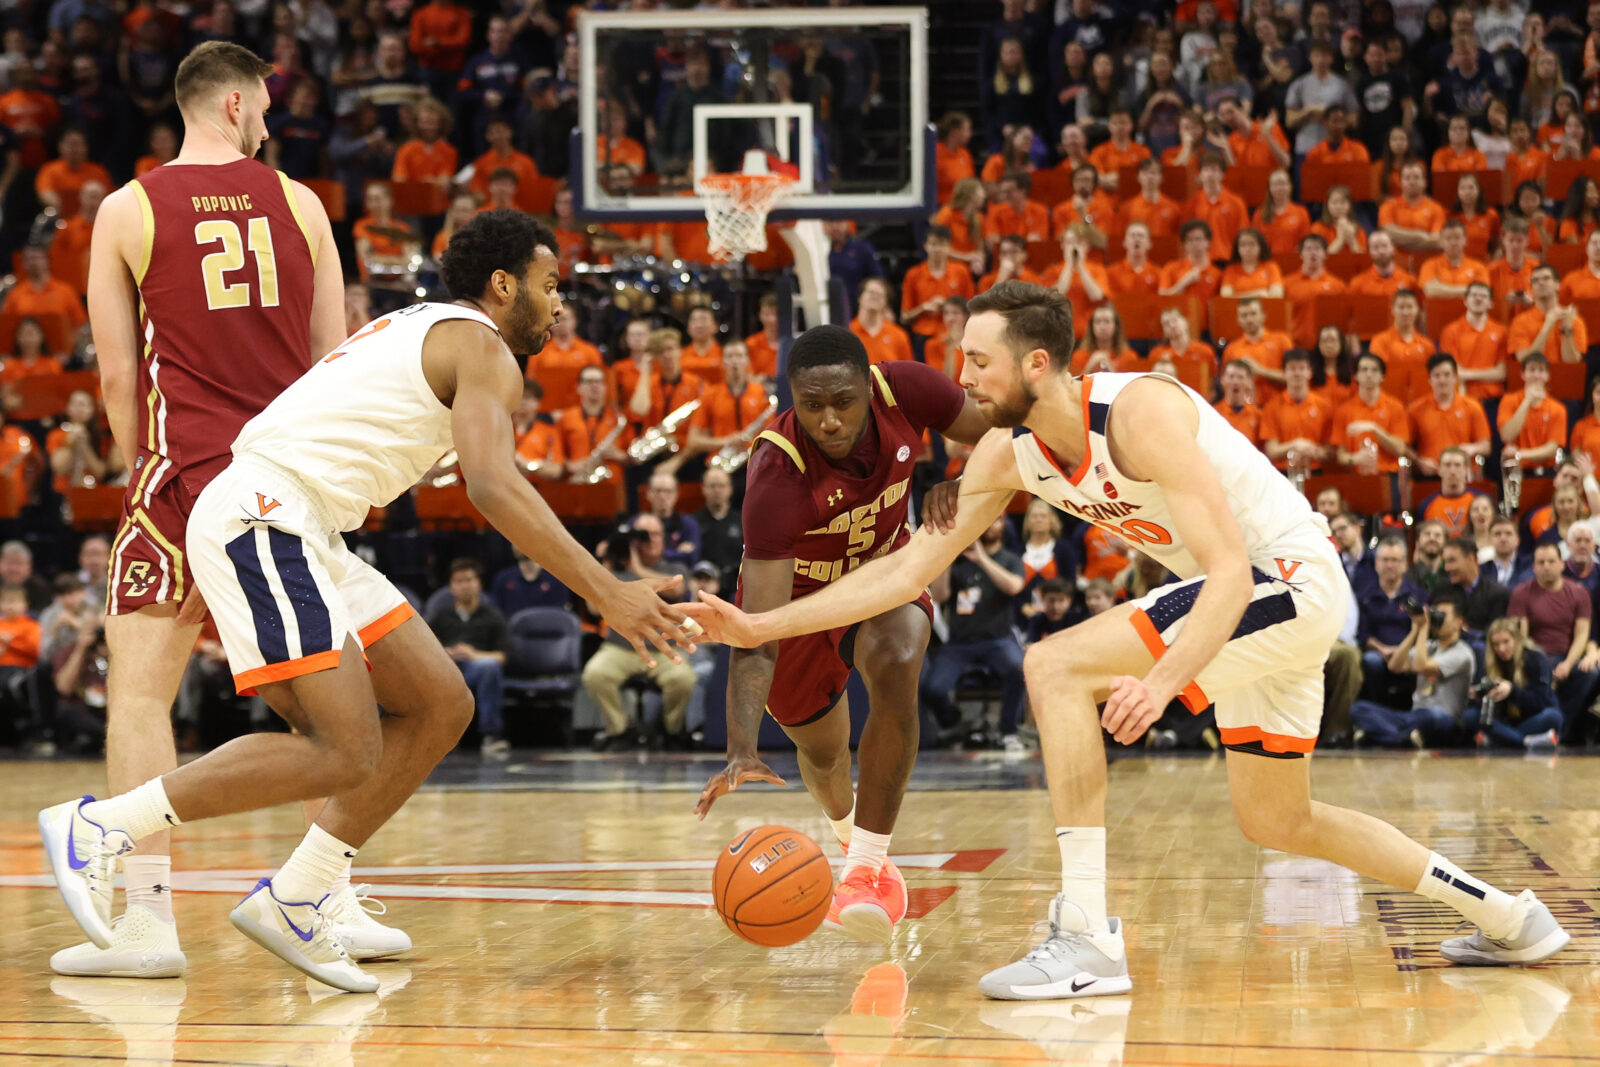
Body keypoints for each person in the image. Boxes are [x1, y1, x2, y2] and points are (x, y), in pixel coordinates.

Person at [683, 280, 1572, 995]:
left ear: (1037, 362)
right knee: (1278, 818)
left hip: (1287, 584)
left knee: (1053, 663)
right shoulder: (1009, 453)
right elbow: (901, 574)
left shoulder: (1139, 413)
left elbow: (1228, 570)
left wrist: (1169, 673)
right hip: (1248, 612)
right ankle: (1510, 918)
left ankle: (1085, 938)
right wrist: (759, 622)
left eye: (978, 362)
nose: (963, 380)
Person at [39, 212, 697, 993]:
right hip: (268, 513)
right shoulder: (484, 347)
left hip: (307, 525)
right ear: (503, 283)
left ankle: (305, 890)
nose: (559, 305)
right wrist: (606, 589)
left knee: (439, 702)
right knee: (343, 745)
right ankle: (100, 826)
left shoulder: (419, 323)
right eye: (550, 286)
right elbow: (492, 483)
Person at [63, 41, 362, 980]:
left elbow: (117, 373)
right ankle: (326, 895)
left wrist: (143, 472)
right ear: (234, 103)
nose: (271, 120)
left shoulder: (126, 209)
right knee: (332, 704)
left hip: (182, 471)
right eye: (266, 105)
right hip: (284, 478)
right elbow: (334, 365)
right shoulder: (304, 204)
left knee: (142, 692)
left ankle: (147, 924)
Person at [692, 323, 990, 945]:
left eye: (843, 402)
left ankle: (865, 869)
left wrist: (964, 481)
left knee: (897, 655)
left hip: (884, 575)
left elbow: (1002, 436)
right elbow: (760, 629)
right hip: (798, 608)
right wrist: (741, 746)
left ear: (869, 389)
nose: (828, 420)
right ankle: (852, 836)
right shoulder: (776, 473)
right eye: (812, 406)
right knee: (825, 757)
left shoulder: (908, 389)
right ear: (793, 401)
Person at [582, 517, 699, 752]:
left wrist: (636, 567)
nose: (650, 540)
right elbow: (594, 608)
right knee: (595, 674)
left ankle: (671, 731)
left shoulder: (674, 568)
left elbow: (676, 590)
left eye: (655, 534)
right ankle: (620, 731)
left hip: (665, 648)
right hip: (621, 647)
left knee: (684, 679)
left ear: (664, 539)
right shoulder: (615, 570)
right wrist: (604, 564)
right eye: (643, 535)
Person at [921, 516, 1027, 754]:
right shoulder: (959, 562)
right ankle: (956, 724)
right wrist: (947, 556)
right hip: (960, 644)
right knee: (932, 688)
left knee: (1017, 668)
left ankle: (1008, 731)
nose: (990, 524)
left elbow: (1013, 587)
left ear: (1004, 526)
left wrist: (982, 559)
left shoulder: (1010, 559)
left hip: (997, 640)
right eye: (988, 520)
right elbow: (939, 595)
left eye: (997, 520)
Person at [1348, 592, 1473, 748]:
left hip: (1444, 720)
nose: (1437, 619)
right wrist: (1415, 629)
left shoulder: (1463, 653)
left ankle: (1381, 736)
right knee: (1359, 709)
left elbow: (1422, 666)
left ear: (1458, 622)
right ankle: (1403, 740)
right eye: (1435, 614)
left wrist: (1423, 630)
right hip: (1414, 716)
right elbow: (1395, 665)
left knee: (1432, 716)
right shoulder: (1428, 647)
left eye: (1443, 615)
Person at [1509, 542, 1597, 739]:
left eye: (1551, 561)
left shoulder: (1579, 592)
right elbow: (1520, 636)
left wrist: (1567, 664)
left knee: (1590, 673)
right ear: (1534, 567)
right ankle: (1547, 726)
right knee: (1539, 672)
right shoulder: (1521, 592)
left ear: (1562, 564)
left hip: (1567, 655)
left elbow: (1582, 634)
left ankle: (1561, 727)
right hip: (1534, 656)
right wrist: (1539, 661)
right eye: (1541, 562)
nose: (1546, 566)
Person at [426, 558, 509, 757]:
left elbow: (502, 656)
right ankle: (434, 735)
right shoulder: (441, 616)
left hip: (477, 667)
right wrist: (444, 653)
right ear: (451, 587)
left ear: (479, 584)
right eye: (459, 581)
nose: (465, 586)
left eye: (469, 580)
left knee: (489, 667)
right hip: (448, 667)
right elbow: (425, 647)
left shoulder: (493, 616)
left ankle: (491, 735)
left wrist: (474, 655)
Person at [1469, 618, 1563, 749]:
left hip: (1531, 720)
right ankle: (1528, 742)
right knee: (1471, 716)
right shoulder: (1489, 663)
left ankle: (1502, 740)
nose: (1501, 648)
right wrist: (1480, 696)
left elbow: (1543, 702)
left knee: (1553, 716)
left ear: (1517, 639)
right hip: (1504, 722)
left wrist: (1512, 691)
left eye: (1506, 642)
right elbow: (1486, 711)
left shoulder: (1536, 659)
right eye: (1495, 644)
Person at [1408, 355, 1490, 476]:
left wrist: (1473, 448)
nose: (1442, 380)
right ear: (1429, 380)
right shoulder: (1415, 409)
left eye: (1447, 375)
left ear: (1455, 378)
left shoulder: (1472, 406)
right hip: (1430, 474)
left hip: (1463, 474)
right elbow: (1404, 447)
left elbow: (1486, 446)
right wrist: (1419, 461)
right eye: (1437, 376)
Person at [1439, 282, 1508, 400]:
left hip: (1495, 399)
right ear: (1465, 300)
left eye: (1483, 296)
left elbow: (1501, 373)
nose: (1478, 298)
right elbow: (1452, 373)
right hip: (1464, 398)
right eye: (1474, 295)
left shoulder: (1502, 332)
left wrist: (1466, 374)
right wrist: (1488, 374)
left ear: (1491, 303)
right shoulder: (1450, 331)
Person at [1498, 353, 1568, 470]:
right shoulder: (1509, 401)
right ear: (1522, 374)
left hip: (1546, 470)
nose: (1536, 374)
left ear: (1547, 375)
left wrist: (1519, 454)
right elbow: (1507, 436)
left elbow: (1551, 449)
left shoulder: (1558, 409)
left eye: (1541, 370)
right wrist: (1527, 401)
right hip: (1516, 470)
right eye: (1532, 369)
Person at [1442, 535, 1510, 635]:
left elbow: (1494, 636)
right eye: (1445, 562)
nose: (1447, 568)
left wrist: (1463, 633)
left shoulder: (1498, 594)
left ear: (1471, 558)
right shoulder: (1442, 591)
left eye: (1452, 561)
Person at [487, 547, 571, 616]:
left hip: (548, 633)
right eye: (513, 540)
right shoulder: (503, 578)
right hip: (512, 633)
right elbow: (495, 612)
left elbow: (561, 614)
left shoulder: (555, 579)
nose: (518, 544)